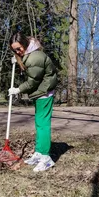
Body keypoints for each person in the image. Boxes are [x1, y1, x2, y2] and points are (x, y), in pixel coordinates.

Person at [8, 32, 58, 172]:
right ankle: (39, 152)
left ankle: (46, 158)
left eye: (19, 48)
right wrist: (17, 59)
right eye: (15, 50)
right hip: (40, 92)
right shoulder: (29, 55)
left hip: (44, 92)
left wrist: (18, 90)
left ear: (24, 43)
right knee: (39, 123)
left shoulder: (34, 58)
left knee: (43, 125)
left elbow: (32, 82)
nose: (18, 51)